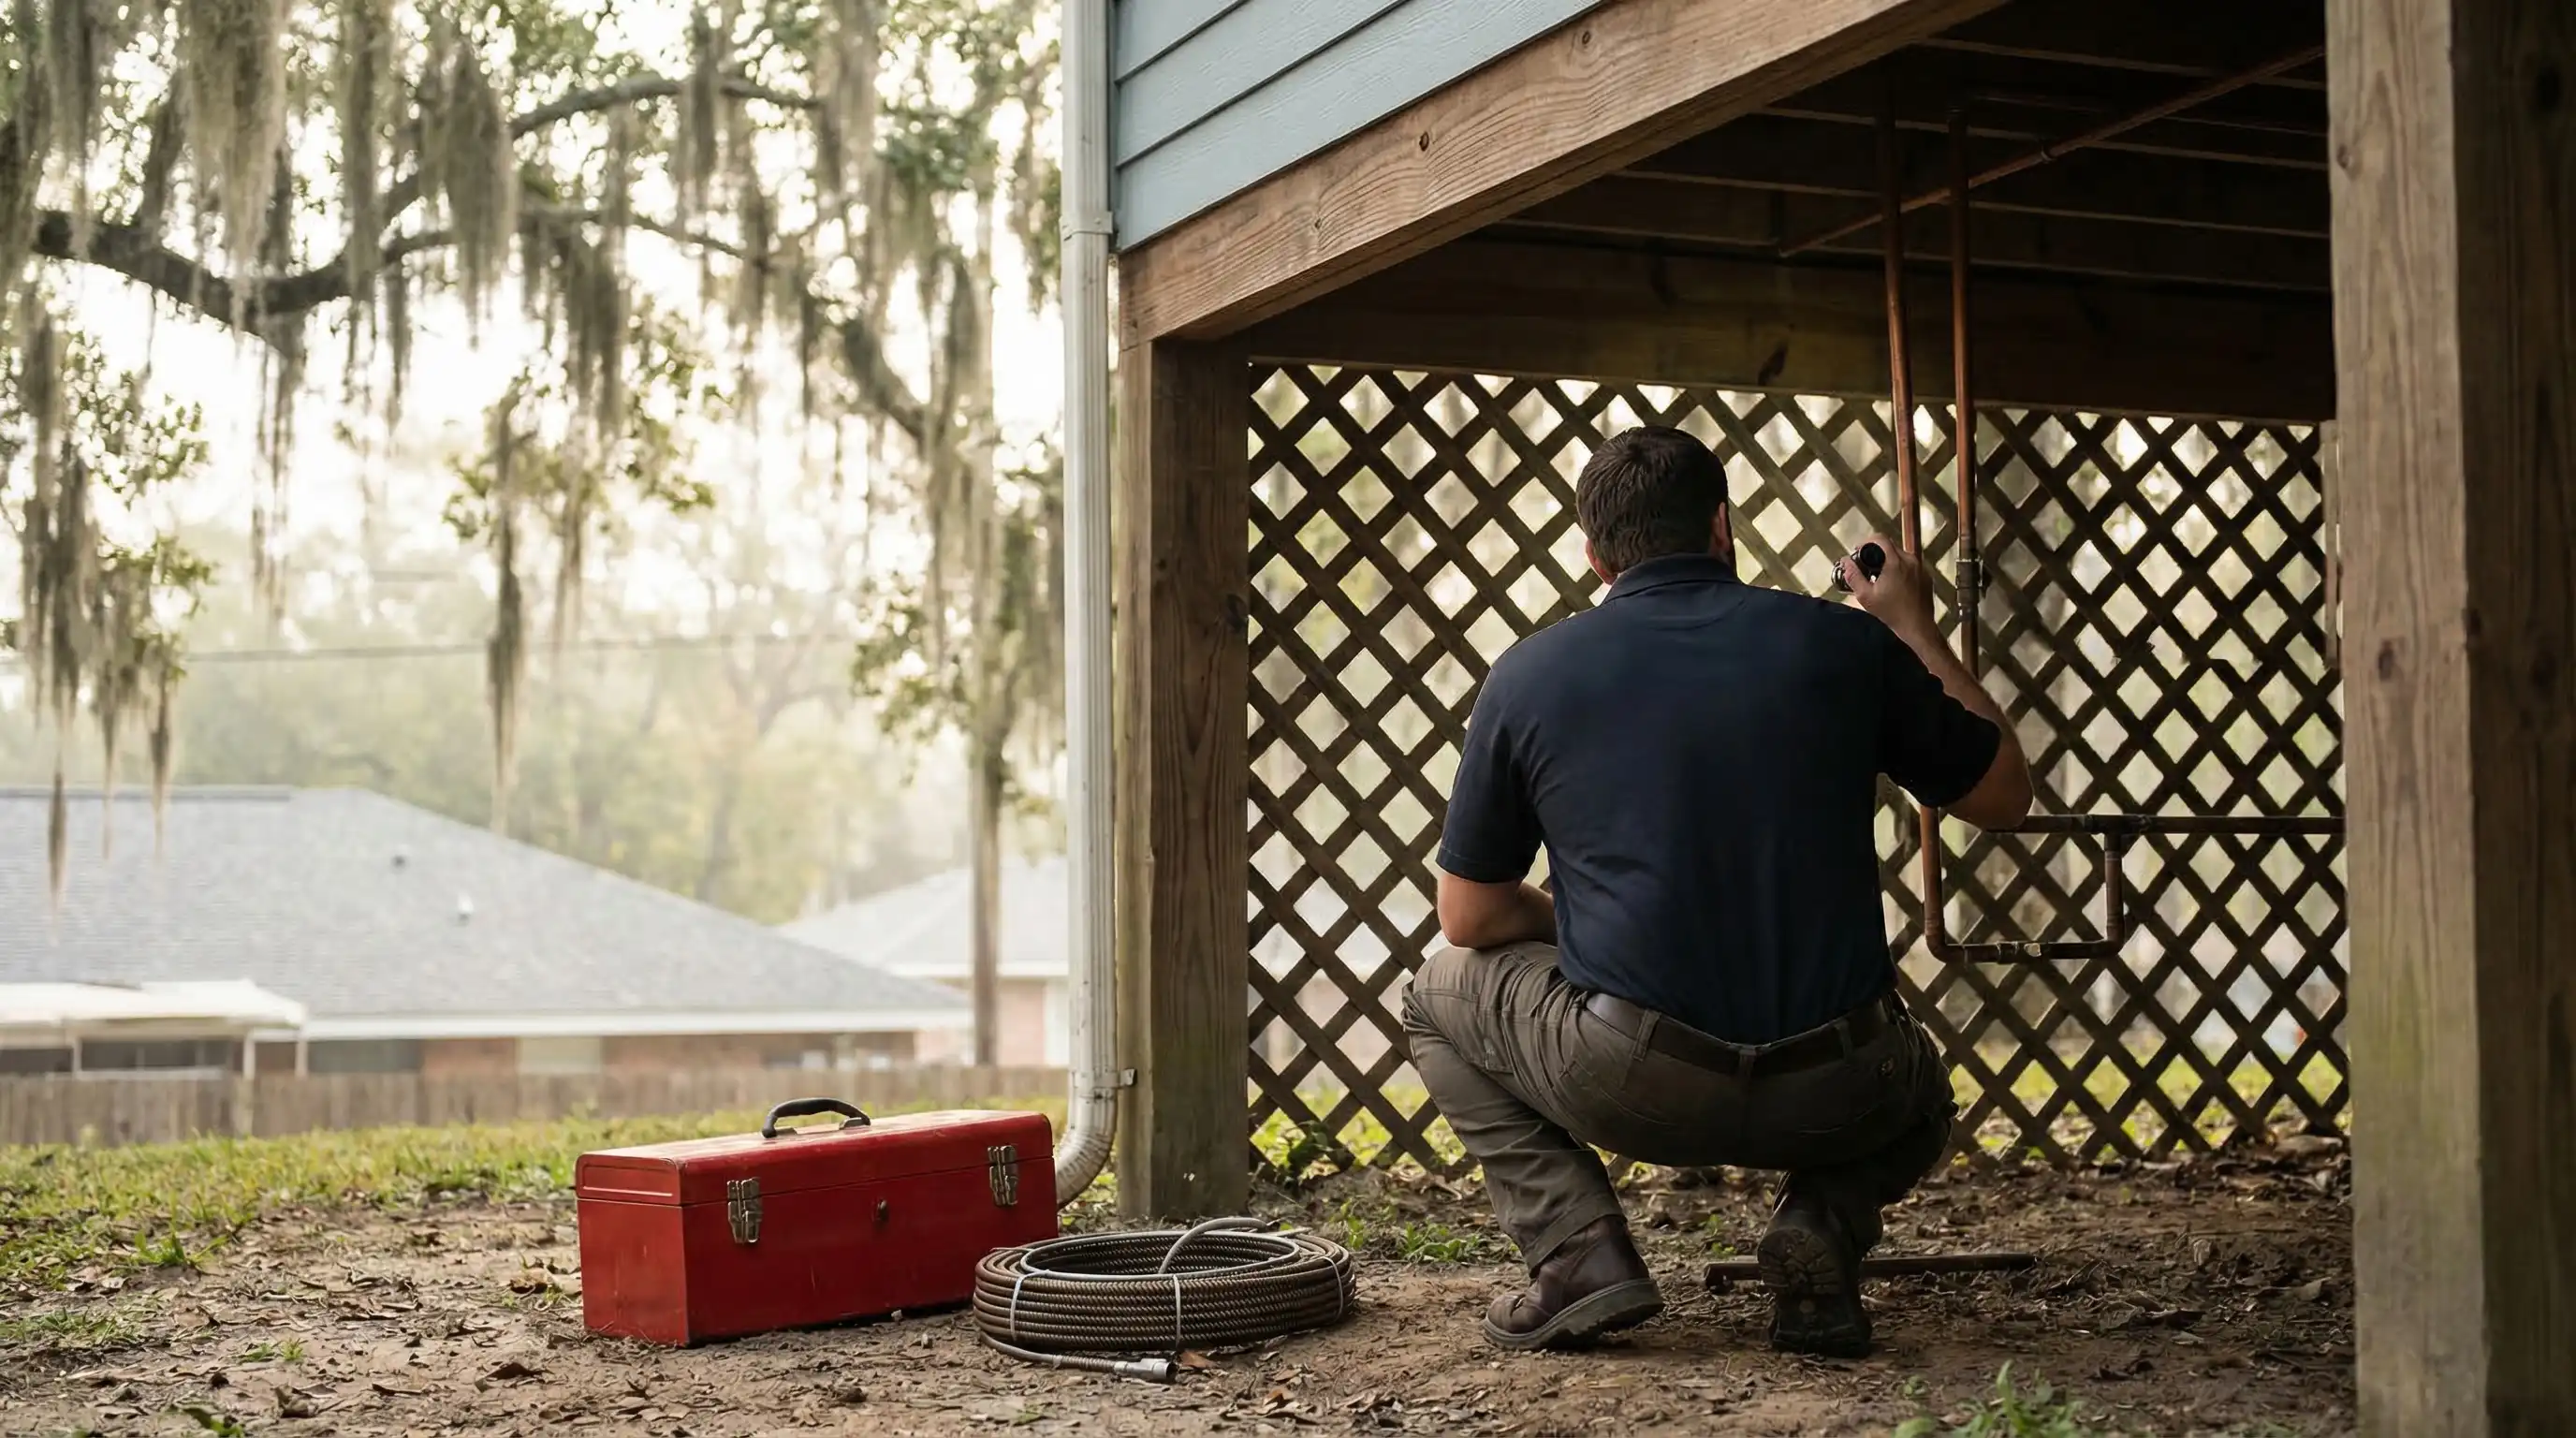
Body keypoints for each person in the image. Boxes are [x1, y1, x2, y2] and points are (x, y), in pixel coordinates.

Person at [1401, 425, 2033, 1358]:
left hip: (1632, 1080)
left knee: (1431, 994)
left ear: (1591, 553)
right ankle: (1823, 1221)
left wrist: (1574, 929)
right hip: (1841, 1085)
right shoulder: (1841, 647)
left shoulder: (1529, 674)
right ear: (1721, 527)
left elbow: (1471, 917)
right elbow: (2004, 796)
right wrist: (1910, 623)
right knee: (1920, 1089)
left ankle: (1577, 1254)